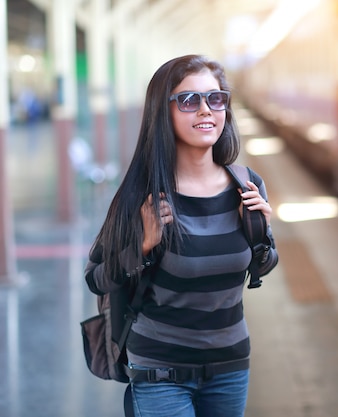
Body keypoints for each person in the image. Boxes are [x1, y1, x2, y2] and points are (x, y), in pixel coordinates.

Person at [84, 54, 278, 417]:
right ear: (164, 113)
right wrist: (142, 245)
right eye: (189, 101)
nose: (205, 110)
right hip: (160, 370)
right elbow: (96, 278)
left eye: (215, 98)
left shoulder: (246, 186)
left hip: (230, 366)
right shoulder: (142, 195)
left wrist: (261, 233)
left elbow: (263, 266)